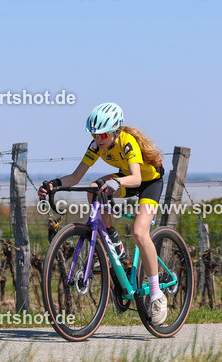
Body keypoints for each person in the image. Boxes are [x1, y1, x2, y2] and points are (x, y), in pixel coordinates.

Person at [38, 102, 168, 325]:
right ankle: (111, 237)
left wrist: (115, 182)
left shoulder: (128, 142)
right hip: (125, 180)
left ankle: (157, 294)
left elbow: (136, 178)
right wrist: (54, 184)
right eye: (94, 134)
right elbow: (76, 176)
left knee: (139, 232)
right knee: (93, 189)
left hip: (148, 183)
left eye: (104, 134)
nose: (99, 139)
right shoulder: (96, 145)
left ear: (116, 130)